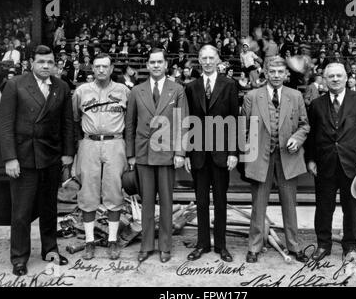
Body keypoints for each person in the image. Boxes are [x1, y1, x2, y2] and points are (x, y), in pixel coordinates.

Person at [0, 45, 75, 276]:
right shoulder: (15, 85)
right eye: (41, 62)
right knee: (21, 211)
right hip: (24, 157)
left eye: (50, 62)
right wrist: (10, 158)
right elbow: (5, 125)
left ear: (55, 64)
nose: (45, 66)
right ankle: (19, 257)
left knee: (49, 208)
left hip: (50, 157)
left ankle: (50, 249)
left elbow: (67, 123)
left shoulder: (61, 86)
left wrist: (68, 153)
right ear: (31, 62)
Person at [241, 56, 310, 263]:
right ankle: (254, 247)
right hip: (260, 159)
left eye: (281, 72)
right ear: (266, 72)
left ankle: (294, 246)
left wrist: (297, 139)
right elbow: (243, 129)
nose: (277, 75)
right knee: (258, 206)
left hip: (288, 159)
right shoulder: (252, 97)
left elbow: (304, 125)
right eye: (273, 72)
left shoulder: (295, 96)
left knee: (289, 205)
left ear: (286, 74)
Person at [306, 62, 356, 261]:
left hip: (353, 164)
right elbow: (312, 135)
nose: (335, 79)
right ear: (324, 80)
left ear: (346, 78)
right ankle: (323, 245)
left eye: (339, 75)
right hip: (324, 164)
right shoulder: (317, 104)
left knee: (351, 208)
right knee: (323, 207)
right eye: (331, 76)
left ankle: (350, 246)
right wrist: (310, 159)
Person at [125, 48, 189, 263]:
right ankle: (146, 246)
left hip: (167, 154)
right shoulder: (137, 91)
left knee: (167, 203)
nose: (155, 65)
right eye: (152, 62)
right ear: (147, 65)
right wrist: (131, 155)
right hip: (143, 154)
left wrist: (180, 152)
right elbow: (130, 124)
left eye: (159, 62)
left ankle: (165, 246)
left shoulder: (177, 90)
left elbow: (183, 123)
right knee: (147, 203)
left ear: (166, 65)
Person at [72, 53, 131, 261]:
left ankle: (112, 240)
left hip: (115, 142)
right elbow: (73, 121)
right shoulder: (81, 91)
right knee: (88, 192)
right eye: (97, 66)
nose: (101, 70)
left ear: (112, 68)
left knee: (114, 191)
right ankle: (89, 242)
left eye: (105, 66)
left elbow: (130, 122)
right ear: (92, 68)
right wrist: (78, 147)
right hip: (89, 142)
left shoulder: (124, 91)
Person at [185, 45, 239, 262]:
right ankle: (202, 244)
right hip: (198, 153)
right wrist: (187, 153)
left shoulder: (229, 85)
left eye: (211, 58)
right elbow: (187, 123)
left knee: (220, 200)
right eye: (203, 58)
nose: (207, 62)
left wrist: (233, 152)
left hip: (220, 153)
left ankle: (222, 246)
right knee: (200, 201)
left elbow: (235, 120)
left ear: (218, 59)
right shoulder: (191, 87)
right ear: (199, 60)